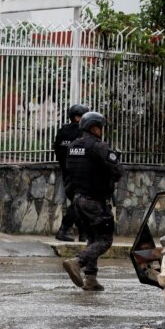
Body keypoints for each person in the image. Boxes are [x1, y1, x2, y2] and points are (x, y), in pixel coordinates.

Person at [62, 111, 122, 292]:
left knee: (92, 239)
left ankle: (91, 279)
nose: (102, 131)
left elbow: (69, 174)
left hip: (78, 199)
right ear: (94, 127)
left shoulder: (73, 146)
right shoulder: (99, 147)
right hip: (95, 200)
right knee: (104, 240)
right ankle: (77, 262)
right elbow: (118, 171)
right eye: (100, 127)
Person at [53, 103, 91, 242]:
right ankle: (63, 229)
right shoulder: (82, 133)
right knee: (78, 203)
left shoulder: (63, 131)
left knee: (78, 203)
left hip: (66, 173)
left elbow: (57, 149)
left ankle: (83, 234)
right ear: (77, 117)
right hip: (80, 175)